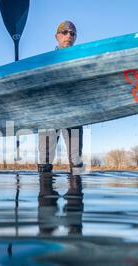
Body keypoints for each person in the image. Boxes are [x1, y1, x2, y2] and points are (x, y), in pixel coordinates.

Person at [37, 21, 84, 175]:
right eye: (65, 32)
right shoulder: (45, 61)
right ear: (57, 36)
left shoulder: (83, 59)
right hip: (49, 114)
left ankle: (75, 197)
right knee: (44, 163)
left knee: (77, 163)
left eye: (72, 33)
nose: (68, 36)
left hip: (74, 114)